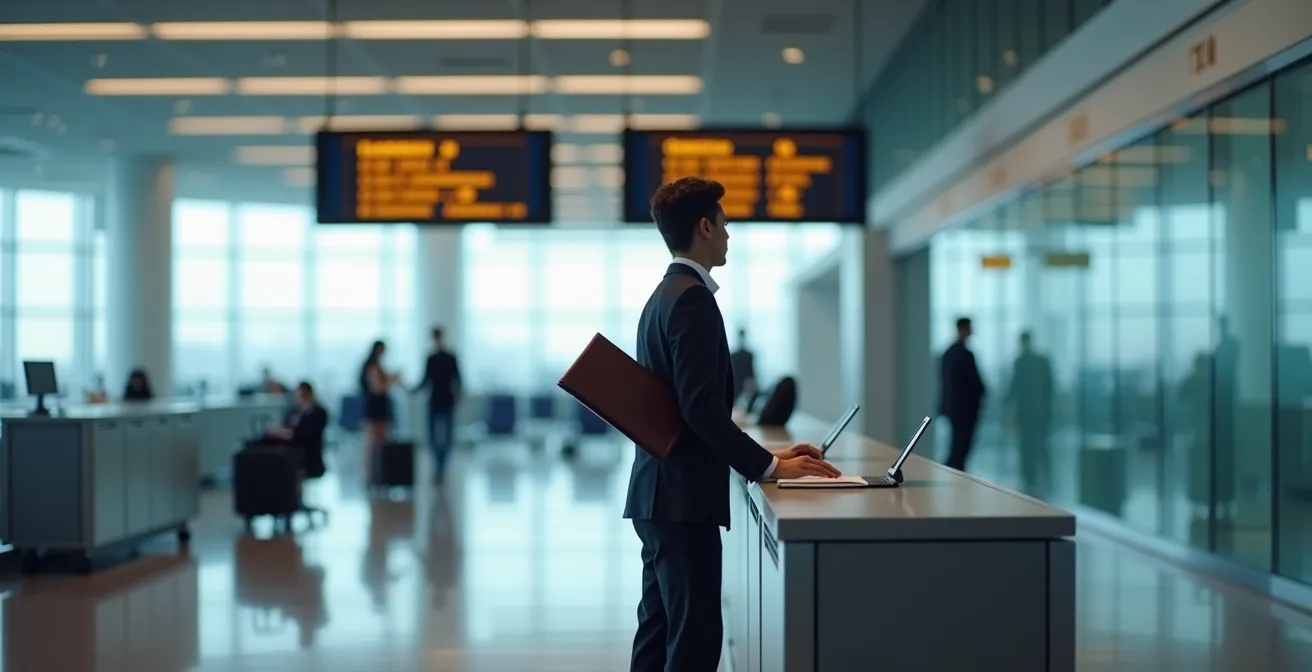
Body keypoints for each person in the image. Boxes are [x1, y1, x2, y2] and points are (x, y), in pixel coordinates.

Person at [624, 177, 841, 672]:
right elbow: (702, 408)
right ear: (704, 226)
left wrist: (775, 457)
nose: (729, 235)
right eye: (724, 224)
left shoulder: (661, 295)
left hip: (657, 496)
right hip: (682, 503)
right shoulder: (693, 298)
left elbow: (685, 405)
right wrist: (767, 466)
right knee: (694, 641)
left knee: (658, 635)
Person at [413, 326, 462, 484]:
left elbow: (458, 379)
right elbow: (425, 380)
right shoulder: (430, 358)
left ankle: (443, 465)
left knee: (447, 435)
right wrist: (412, 390)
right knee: (432, 435)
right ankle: (437, 464)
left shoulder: (451, 357)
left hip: (447, 400)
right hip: (434, 400)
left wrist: (458, 395)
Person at [1005, 331, 1053, 494]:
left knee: (1026, 447)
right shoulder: (1042, 361)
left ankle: (1030, 480)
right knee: (1040, 445)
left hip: (1025, 412)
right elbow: (1049, 389)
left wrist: (1007, 409)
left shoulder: (1020, 362)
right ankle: (1044, 479)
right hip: (1040, 412)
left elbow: (1014, 388)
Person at [938, 317, 986, 471]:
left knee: (957, 444)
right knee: (961, 446)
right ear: (964, 328)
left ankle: (954, 472)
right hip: (965, 408)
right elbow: (972, 382)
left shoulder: (948, 353)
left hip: (954, 407)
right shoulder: (963, 354)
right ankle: (955, 473)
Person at [263, 381, 330, 478]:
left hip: (308, 453)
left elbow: (309, 434)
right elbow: (286, 426)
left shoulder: (319, 412)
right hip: (290, 444)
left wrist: (290, 434)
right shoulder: (294, 411)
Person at [360, 340, 401, 482]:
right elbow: (377, 388)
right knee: (372, 442)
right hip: (375, 408)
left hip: (380, 407)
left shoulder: (377, 366)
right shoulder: (371, 366)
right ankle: (370, 474)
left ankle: (381, 472)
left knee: (382, 441)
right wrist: (391, 381)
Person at [729, 327, 757, 404]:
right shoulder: (746, 355)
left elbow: (751, 371)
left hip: (742, 383)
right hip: (738, 383)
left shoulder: (746, 355)